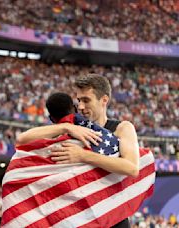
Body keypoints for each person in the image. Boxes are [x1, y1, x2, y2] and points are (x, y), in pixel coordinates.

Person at [16, 74, 140, 227]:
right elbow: (22, 139)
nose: (81, 106)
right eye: (79, 100)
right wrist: (65, 126)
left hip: (112, 218)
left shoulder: (122, 128)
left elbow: (132, 167)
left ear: (104, 100)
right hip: (79, 218)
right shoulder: (72, 128)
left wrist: (83, 156)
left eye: (86, 100)